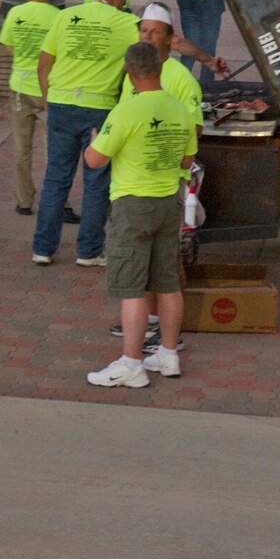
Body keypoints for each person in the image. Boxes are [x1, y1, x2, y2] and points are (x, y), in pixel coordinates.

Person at [84, 42, 199, 390]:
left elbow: (94, 160)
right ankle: (168, 354)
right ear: (160, 69)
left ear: (130, 73)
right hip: (169, 201)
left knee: (131, 287)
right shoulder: (179, 109)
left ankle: (132, 364)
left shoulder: (126, 110)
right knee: (167, 282)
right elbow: (185, 160)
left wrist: (94, 140)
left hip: (133, 204)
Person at [31, 0, 138, 268]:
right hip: (98, 108)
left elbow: (43, 64)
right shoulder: (127, 23)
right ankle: (88, 251)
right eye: (123, 1)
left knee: (56, 178)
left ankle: (43, 249)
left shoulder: (65, 17)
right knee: (96, 183)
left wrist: (48, 100)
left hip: (61, 104)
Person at [0, 0, 61, 216]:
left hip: (20, 87)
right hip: (49, 90)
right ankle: (54, 199)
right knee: (53, 151)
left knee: (22, 149)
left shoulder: (16, 13)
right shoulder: (59, 17)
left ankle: (24, 200)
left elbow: (7, 49)